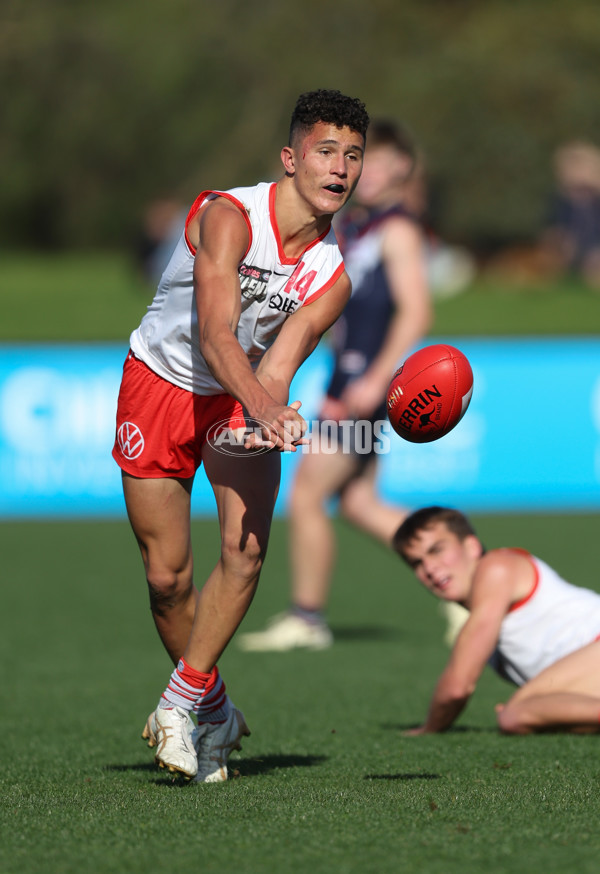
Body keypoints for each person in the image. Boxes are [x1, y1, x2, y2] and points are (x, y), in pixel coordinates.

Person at [112, 89, 370, 781]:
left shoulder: (333, 275)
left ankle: (179, 701)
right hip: (159, 384)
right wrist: (263, 403)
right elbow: (216, 334)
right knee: (168, 578)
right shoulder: (228, 217)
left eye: (352, 156)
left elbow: (278, 364)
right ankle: (218, 709)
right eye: (325, 151)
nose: (339, 168)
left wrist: (271, 414)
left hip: (237, 401)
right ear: (290, 159)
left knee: (246, 553)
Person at [237, 120, 432, 652]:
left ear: (403, 169)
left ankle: (307, 616)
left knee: (306, 495)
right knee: (359, 504)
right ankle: (473, 575)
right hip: (348, 382)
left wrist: (374, 379)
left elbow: (416, 313)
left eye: (383, 160)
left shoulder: (399, 230)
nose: (364, 171)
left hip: (367, 388)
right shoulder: (360, 229)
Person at [392, 506, 600, 734]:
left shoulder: (496, 567)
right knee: (520, 715)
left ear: (471, 546)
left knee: (516, 713)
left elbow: (457, 688)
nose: (430, 568)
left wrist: (428, 729)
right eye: (417, 563)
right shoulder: (489, 616)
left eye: (437, 550)